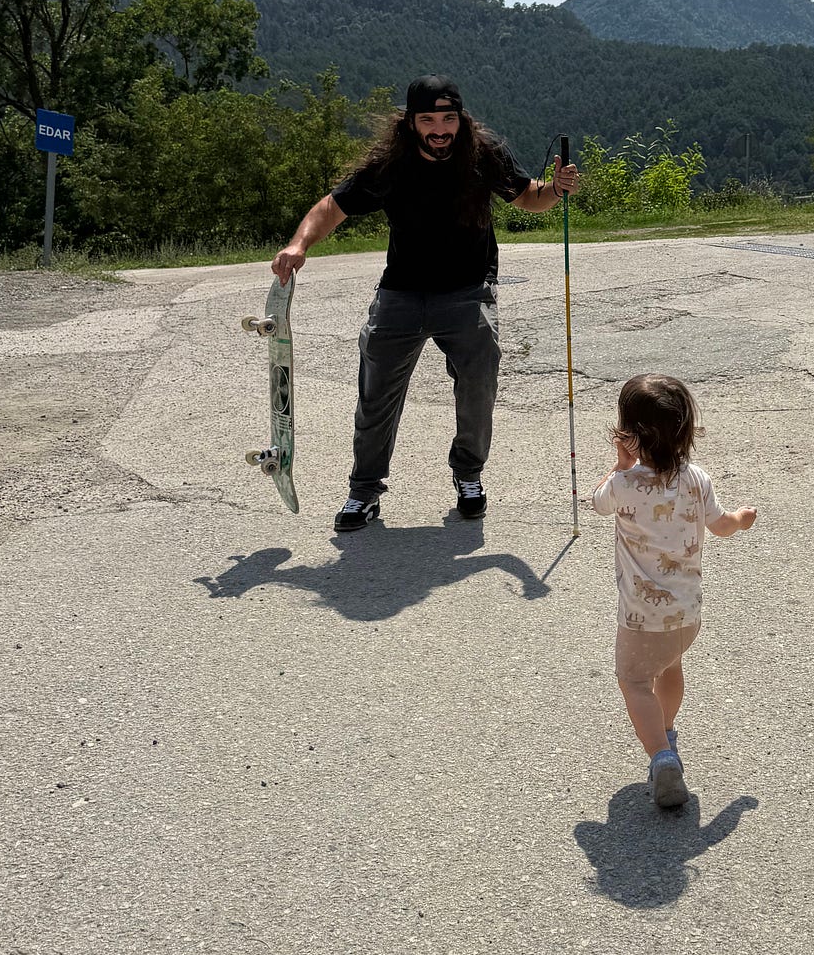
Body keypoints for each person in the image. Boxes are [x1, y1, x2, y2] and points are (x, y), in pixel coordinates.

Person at [271, 76, 578, 530]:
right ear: (411, 123)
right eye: (428, 119)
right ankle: (364, 492)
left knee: (478, 386)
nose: (440, 129)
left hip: (468, 293)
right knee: (376, 397)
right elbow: (331, 207)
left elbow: (530, 197)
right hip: (401, 294)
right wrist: (299, 245)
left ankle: (468, 475)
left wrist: (556, 189)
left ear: (461, 120)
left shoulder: (482, 155)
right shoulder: (390, 165)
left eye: (448, 118)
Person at [591, 374, 757, 810]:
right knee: (670, 666)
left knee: (634, 681)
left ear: (626, 433)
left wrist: (620, 464)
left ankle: (662, 756)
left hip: (641, 618)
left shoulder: (623, 484)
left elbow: (598, 503)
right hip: (688, 615)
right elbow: (721, 526)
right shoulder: (696, 479)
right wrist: (740, 518)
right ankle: (665, 729)